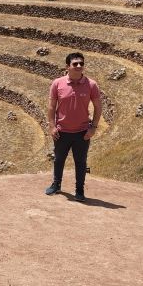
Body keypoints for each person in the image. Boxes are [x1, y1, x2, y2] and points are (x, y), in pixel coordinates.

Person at [45, 52, 102, 202]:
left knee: (81, 162)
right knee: (58, 159)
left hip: (82, 132)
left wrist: (93, 128)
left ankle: (79, 190)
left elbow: (98, 107)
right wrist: (52, 127)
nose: (78, 66)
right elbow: (51, 107)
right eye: (75, 64)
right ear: (67, 66)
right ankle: (56, 185)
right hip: (62, 131)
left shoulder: (91, 85)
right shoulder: (57, 83)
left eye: (81, 64)